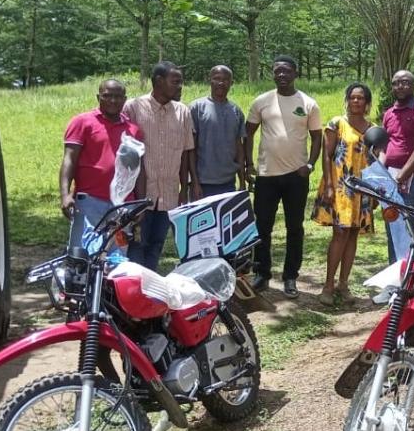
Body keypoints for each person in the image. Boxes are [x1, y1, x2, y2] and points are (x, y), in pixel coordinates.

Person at [245, 55, 322, 298]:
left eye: (286, 71)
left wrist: (309, 165)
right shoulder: (262, 101)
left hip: (296, 176)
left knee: (294, 227)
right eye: (277, 71)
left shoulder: (308, 103)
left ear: (295, 74)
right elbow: (248, 133)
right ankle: (262, 273)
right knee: (262, 226)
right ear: (273, 74)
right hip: (267, 175)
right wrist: (249, 164)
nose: (281, 75)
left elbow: (317, 137)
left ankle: (290, 277)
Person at [123, 62, 195, 271]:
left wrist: (185, 189)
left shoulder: (183, 112)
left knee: (156, 244)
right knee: (137, 244)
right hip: (141, 194)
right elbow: (126, 153)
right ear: (158, 81)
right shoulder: (134, 108)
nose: (180, 86)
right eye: (175, 82)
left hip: (170, 193)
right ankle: (136, 290)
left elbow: (185, 153)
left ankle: (149, 288)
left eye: (181, 82)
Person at [311, 82, 376, 306]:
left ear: (367, 103)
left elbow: (375, 161)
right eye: (352, 97)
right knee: (339, 234)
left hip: (362, 188)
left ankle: (344, 284)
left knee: (353, 235)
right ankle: (328, 286)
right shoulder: (336, 124)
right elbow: (327, 156)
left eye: (361, 98)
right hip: (339, 187)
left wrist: (374, 192)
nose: (356, 101)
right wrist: (328, 185)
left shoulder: (372, 129)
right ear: (347, 100)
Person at [60, 79, 142, 251]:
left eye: (118, 97)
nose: (113, 100)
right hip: (89, 201)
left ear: (125, 99)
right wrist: (65, 195)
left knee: (117, 257)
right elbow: (69, 160)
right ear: (98, 97)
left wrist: (139, 204)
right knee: (82, 255)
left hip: (122, 204)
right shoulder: (82, 123)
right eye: (107, 96)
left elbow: (138, 169)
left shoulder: (132, 129)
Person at [381, 70, 414, 263]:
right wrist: (381, 174)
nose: (400, 86)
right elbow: (385, 147)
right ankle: (394, 274)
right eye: (396, 83)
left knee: (407, 228)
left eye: (405, 82)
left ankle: (406, 279)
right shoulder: (389, 113)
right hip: (390, 178)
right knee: (392, 227)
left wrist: (400, 177)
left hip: (413, 178)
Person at [189, 65, 247, 197]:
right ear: (210, 80)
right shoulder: (196, 108)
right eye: (217, 78)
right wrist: (194, 182)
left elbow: (239, 149)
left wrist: (242, 181)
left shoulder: (236, 111)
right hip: (203, 182)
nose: (221, 83)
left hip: (228, 182)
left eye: (226, 79)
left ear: (231, 83)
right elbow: (190, 149)